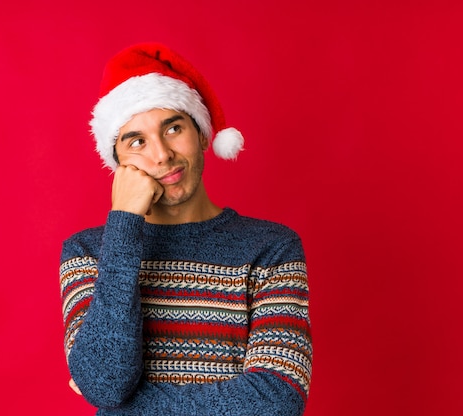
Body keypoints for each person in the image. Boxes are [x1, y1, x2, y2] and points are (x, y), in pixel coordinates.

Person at [59, 43, 312, 415]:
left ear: (202, 134)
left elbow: (276, 399)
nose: (161, 154)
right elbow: (105, 381)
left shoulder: (272, 247)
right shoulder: (90, 252)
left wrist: (127, 407)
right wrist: (123, 225)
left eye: (173, 128)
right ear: (118, 164)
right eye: (137, 142)